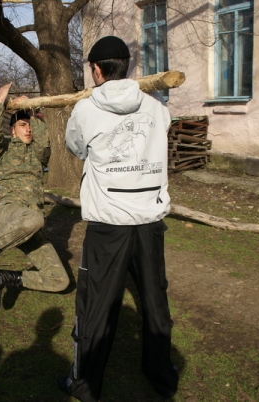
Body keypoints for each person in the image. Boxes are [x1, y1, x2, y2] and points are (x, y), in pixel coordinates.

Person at [57, 36, 179, 401]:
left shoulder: (85, 110)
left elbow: (76, 148)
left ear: (96, 70)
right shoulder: (157, 107)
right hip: (149, 223)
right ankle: (161, 374)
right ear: (126, 66)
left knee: (96, 305)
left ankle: (85, 383)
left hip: (109, 225)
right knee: (155, 301)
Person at [0, 82, 69, 309]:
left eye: (29, 125)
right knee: (34, 218)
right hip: (12, 215)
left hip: (33, 226)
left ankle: (1, 277)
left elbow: (45, 143)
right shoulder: (2, 153)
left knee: (60, 281)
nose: (28, 129)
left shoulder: (38, 155)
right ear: (12, 130)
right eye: (22, 125)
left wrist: (31, 110)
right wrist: (0, 102)